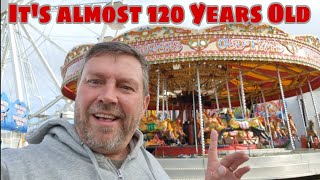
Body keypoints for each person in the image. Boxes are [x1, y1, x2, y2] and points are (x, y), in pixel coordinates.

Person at [1, 42, 250, 180]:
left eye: (126, 86)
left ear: (144, 104)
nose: (108, 96)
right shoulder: (17, 167)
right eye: (95, 81)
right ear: (76, 93)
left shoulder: (154, 169)